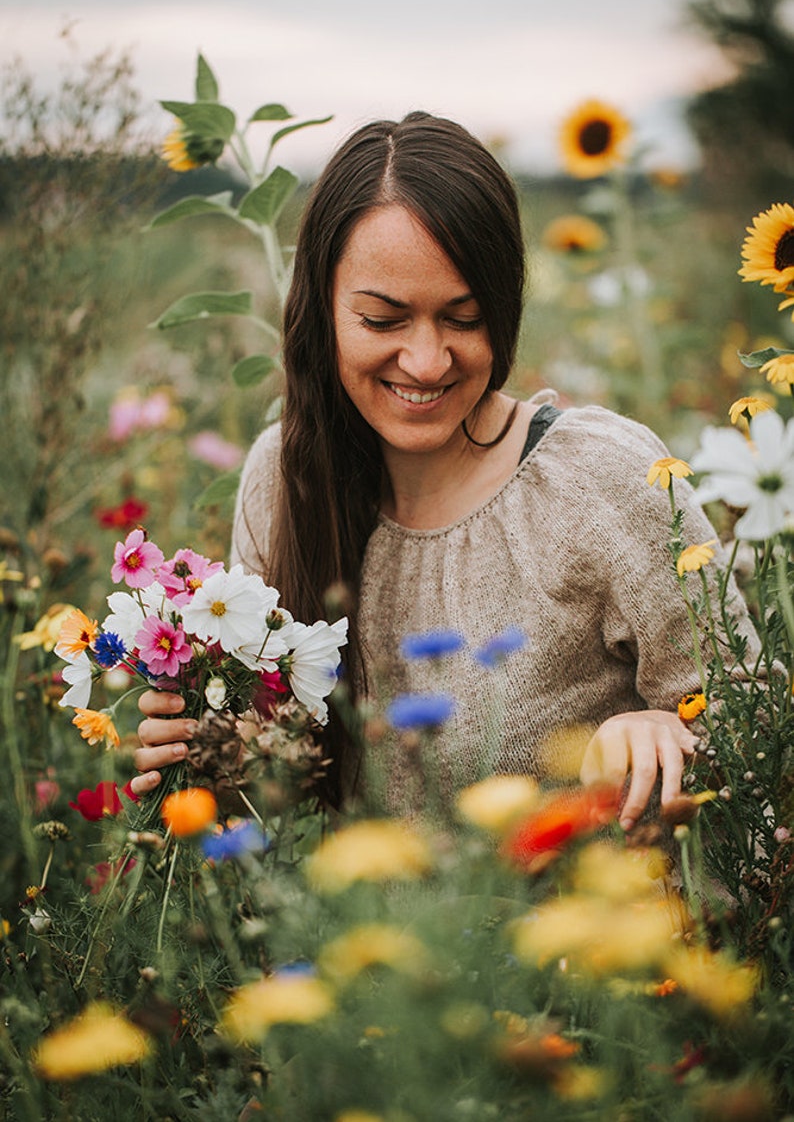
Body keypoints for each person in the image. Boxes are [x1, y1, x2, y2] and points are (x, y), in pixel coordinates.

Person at [131, 111, 749, 827]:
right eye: (383, 321)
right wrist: (209, 762)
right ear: (321, 309)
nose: (426, 362)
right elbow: (284, 802)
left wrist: (659, 734)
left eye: (463, 317)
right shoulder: (284, 480)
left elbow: (751, 743)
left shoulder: (599, 480)